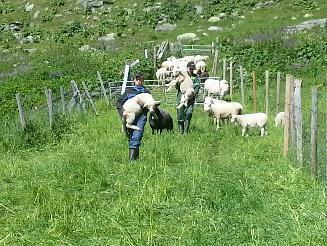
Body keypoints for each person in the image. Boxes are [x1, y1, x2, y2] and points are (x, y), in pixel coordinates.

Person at [116, 73, 150, 162]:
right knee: (131, 136)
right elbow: (119, 102)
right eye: (137, 79)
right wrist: (123, 112)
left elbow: (150, 104)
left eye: (141, 79)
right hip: (129, 115)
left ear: (143, 80)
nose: (139, 81)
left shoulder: (146, 92)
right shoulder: (129, 91)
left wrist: (143, 105)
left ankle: (131, 161)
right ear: (134, 80)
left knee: (137, 134)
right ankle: (136, 158)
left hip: (141, 116)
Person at [176, 62, 201, 134]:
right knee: (180, 113)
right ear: (187, 68)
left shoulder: (195, 77)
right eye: (190, 68)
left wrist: (193, 94)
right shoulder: (182, 75)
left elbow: (197, 87)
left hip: (190, 98)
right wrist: (178, 82)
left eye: (192, 69)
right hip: (181, 97)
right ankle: (181, 131)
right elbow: (176, 87)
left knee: (189, 113)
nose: (191, 70)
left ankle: (186, 132)